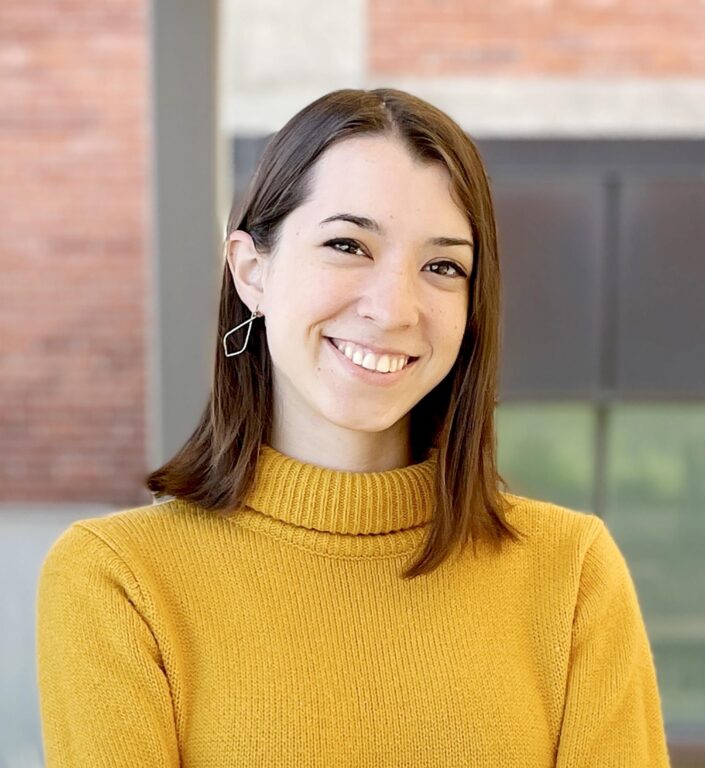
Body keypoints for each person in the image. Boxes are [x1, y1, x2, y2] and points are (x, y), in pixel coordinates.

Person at [36, 88, 671, 766]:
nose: (394, 308)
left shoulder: (571, 574)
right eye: (348, 244)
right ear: (252, 270)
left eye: (442, 266)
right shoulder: (117, 581)